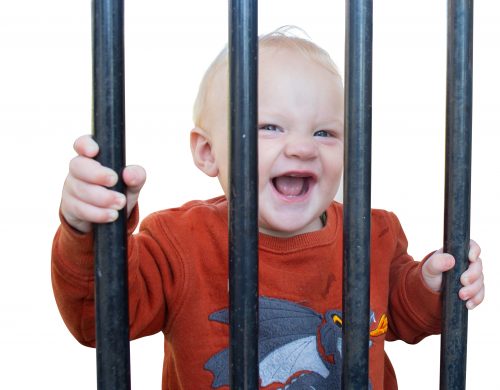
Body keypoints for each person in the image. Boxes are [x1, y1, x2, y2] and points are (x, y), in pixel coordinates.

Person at [52, 28, 484, 389]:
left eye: (324, 133)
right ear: (207, 152)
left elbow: (405, 317)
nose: (300, 147)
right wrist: (90, 233)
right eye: (269, 127)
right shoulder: (178, 244)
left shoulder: (374, 234)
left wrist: (434, 289)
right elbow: (96, 321)